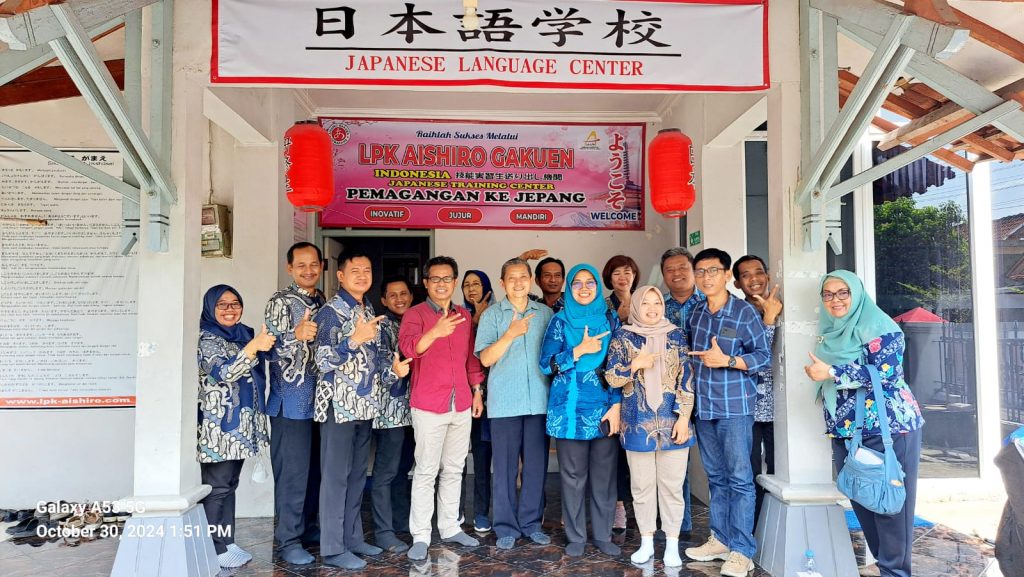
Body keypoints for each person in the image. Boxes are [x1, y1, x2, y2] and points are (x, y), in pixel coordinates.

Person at [804, 270, 924, 577]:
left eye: (843, 292)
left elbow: (887, 374)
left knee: (890, 508)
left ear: (856, 294)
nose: (835, 300)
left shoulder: (880, 327)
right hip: (847, 431)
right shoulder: (830, 331)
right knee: (863, 501)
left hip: (888, 428)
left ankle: (895, 572)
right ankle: (887, 568)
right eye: (828, 294)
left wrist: (832, 372)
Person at [313, 248, 411, 570]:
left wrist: (394, 372)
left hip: (366, 407)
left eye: (366, 270)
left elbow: (379, 360)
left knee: (356, 476)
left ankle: (352, 538)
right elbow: (321, 361)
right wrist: (353, 340)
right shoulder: (330, 313)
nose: (361, 276)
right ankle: (332, 548)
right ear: (340, 275)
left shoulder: (368, 310)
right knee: (335, 478)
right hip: (338, 407)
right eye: (354, 270)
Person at [684, 248, 770, 577]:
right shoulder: (696, 313)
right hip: (705, 408)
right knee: (716, 478)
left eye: (713, 271)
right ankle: (720, 539)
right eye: (700, 272)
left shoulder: (743, 313)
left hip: (735, 408)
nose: (706, 277)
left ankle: (742, 550)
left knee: (739, 479)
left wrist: (729, 360)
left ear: (726, 275)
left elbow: (763, 355)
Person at [399, 256, 485, 561]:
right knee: (425, 470)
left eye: (447, 278)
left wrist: (477, 391)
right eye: (435, 279)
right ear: (425, 283)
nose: (441, 284)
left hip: (460, 402)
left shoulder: (464, 316)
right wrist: (435, 331)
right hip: (428, 404)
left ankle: (450, 527)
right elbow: (408, 349)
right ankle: (421, 535)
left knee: (454, 468)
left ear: (454, 282)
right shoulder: (415, 314)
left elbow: (471, 360)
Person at [606, 286, 695, 567]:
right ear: (636, 306)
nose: (653, 308)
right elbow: (611, 377)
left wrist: (684, 417)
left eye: (657, 303)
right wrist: (635, 365)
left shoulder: (677, 335)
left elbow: (687, 378)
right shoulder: (623, 336)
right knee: (641, 487)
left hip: (673, 423)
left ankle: (672, 545)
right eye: (645, 303)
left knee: (672, 487)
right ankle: (646, 543)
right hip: (636, 424)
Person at [540, 263, 622, 558]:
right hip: (569, 410)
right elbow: (546, 364)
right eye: (577, 283)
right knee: (572, 477)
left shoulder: (610, 320)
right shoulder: (559, 321)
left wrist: (616, 405)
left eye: (590, 282)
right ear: (569, 288)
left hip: (605, 409)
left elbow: (620, 366)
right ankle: (575, 536)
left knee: (604, 477)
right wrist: (577, 351)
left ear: (598, 287)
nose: (584, 288)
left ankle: (602, 535)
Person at [474, 257, 554, 550]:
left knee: (535, 467)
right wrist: (509, 334)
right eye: (511, 278)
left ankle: (531, 524)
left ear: (531, 280)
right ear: (502, 283)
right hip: (505, 403)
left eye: (523, 277)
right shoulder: (492, 315)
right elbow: (485, 359)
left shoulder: (545, 314)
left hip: (538, 403)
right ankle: (505, 526)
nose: (518, 283)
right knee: (505, 468)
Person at [197, 285, 274, 569]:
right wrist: (253, 347)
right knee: (217, 487)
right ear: (210, 308)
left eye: (235, 304)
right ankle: (214, 547)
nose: (230, 310)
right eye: (222, 305)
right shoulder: (207, 339)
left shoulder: (243, 334)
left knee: (229, 485)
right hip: (218, 429)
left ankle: (226, 542)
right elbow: (225, 372)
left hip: (241, 428)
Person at [263, 242, 325, 565]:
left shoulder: (322, 301)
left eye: (313, 264)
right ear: (290, 268)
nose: (308, 270)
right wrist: (295, 334)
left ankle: (308, 528)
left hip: (319, 403)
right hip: (290, 403)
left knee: (315, 471)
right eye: (301, 265)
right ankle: (288, 540)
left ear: (322, 266)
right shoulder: (280, 302)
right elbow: (267, 349)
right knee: (292, 475)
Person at [731, 255, 782, 529]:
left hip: (780, 407)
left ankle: (772, 527)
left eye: (759, 272)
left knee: (778, 470)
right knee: (748, 473)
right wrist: (769, 319)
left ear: (768, 276)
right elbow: (755, 357)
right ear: (737, 283)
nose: (754, 279)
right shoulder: (736, 312)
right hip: (748, 406)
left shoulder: (784, 305)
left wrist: (772, 313)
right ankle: (750, 530)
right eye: (746, 275)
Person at [371, 276, 417, 553]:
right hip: (390, 412)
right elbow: (379, 369)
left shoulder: (416, 323)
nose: (399, 299)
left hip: (415, 410)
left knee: (403, 468)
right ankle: (383, 531)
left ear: (411, 296)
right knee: (386, 471)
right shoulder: (381, 327)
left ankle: (400, 522)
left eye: (404, 293)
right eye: (393, 295)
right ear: (384, 300)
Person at [661, 247, 703, 538]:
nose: (676, 274)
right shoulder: (658, 306)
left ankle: (724, 532)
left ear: (693, 270)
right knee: (675, 463)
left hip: (710, 390)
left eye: (682, 268)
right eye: (670, 269)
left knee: (717, 464)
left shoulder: (709, 303)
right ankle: (679, 525)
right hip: (671, 395)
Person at [602, 254, 640, 534]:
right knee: (614, 451)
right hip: (612, 383)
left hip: (641, 386)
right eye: (616, 273)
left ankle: (641, 506)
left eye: (627, 272)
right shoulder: (603, 306)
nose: (622, 277)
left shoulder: (645, 301)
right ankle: (618, 506)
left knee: (638, 448)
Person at [461, 269, 494, 534]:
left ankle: (482, 513)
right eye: (467, 284)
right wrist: (472, 321)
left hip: (491, 399)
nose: (472, 288)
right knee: (457, 460)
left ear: (487, 288)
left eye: (476, 284)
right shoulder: (457, 316)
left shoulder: (496, 315)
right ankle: (456, 511)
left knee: (483, 459)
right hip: (461, 398)